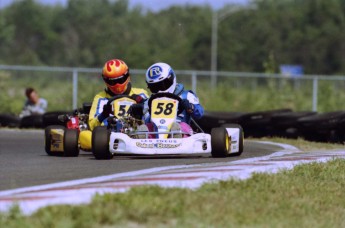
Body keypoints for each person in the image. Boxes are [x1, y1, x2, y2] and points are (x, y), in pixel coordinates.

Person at [133, 62, 204, 137]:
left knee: (182, 126)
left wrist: (190, 107)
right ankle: (142, 138)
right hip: (157, 131)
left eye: (163, 84)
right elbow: (146, 120)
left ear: (171, 78)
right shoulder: (150, 101)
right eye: (155, 87)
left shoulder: (186, 96)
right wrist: (138, 113)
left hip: (180, 127)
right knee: (146, 127)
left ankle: (176, 135)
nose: (160, 90)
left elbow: (199, 113)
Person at [88, 58, 149, 131]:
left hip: (137, 135)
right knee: (85, 135)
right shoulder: (101, 98)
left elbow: (151, 116)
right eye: (113, 82)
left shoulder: (140, 94)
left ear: (127, 76)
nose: (117, 85)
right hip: (110, 136)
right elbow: (92, 126)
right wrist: (104, 115)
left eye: (120, 80)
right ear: (106, 81)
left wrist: (142, 103)